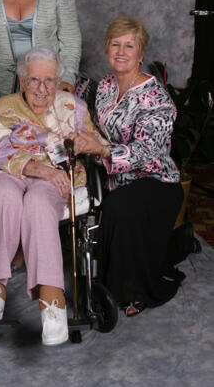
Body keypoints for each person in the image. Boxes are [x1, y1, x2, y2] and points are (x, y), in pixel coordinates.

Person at [0, 47, 100, 345]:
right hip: (9, 172)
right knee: (4, 195)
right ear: (21, 80)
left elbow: (95, 143)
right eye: (34, 80)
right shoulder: (1, 107)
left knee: (39, 203)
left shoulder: (74, 107)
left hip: (53, 176)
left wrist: (85, 144)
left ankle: (52, 302)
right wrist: (37, 169)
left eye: (50, 80)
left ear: (58, 81)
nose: (43, 89)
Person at [72, 16, 184, 316]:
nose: (121, 52)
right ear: (107, 48)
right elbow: (84, 92)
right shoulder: (108, 84)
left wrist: (101, 148)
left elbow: (145, 152)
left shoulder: (157, 98)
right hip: (114, 179)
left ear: (141, 53)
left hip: (155, 182)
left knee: (117, 209)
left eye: (129, 46)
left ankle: (129, 293)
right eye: (115, 44)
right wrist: (60, 81)